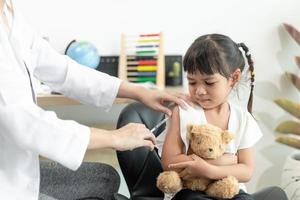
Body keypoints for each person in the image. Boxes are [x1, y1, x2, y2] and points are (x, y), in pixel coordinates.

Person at [0, 1, 187, 199]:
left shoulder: (9, 15)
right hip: (7, 186)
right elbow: (24, 123)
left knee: (106, 178)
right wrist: (114, 138)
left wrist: (139, 92)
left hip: (20, 171)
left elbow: (62, 70)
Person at [157, 34, 263, 200]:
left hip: (229, 191)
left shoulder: (243, 119)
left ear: (233, 78)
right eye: (192, 82)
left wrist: (208, 170)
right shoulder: (183, 111)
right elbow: (169, 162)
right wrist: (227, 161)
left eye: (209, 83)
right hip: (189, 192)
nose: (199, 90)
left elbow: (246, 171)